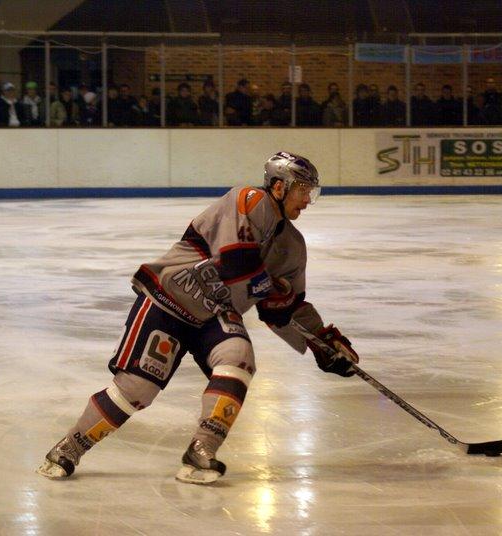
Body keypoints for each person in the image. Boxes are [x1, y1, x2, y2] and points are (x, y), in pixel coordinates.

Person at [36, 151, 360, 484]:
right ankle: (69, 447)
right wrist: (272, 287)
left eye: (311, 192)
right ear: (279, 186)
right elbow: (237, 262)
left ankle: (200, 451)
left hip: (215, 314)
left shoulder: (292, 246)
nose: (307, 199)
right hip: (169, 300)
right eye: (302, 189)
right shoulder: (249, 200)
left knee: (239, 358)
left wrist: (322, 340)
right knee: (137, 389)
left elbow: (284, 309)